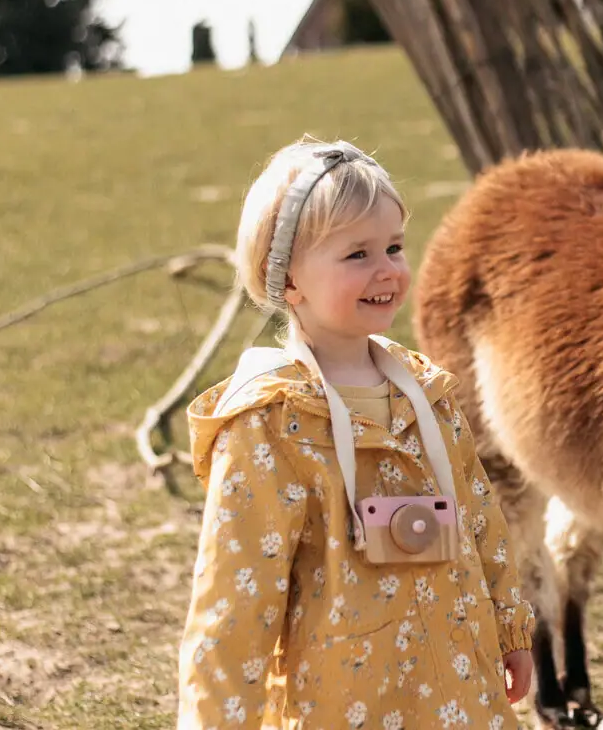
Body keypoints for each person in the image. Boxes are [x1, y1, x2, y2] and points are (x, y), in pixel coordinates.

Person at [176, 137, 534, 729]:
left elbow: (479, 517)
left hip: (461, 693)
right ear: (287, 278)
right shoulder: (269, 425)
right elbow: (234, 606)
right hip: (344, 704)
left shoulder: (427, 395)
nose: (388, 270)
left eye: (393, 246)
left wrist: (507, 623)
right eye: (357, 255)